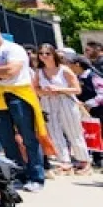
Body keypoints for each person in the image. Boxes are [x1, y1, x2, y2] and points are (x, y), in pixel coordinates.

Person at [0, 17, 49, 191]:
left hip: (18, 95)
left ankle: (36, 177)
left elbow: (11, 71)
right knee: (7, 139)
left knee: (28, 137)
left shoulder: (14, 49)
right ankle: (18, 174)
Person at [35, 44, 91, 175]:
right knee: (54, 132)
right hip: (48, 102)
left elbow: (77, 89)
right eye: (41, 53)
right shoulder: (39, 71)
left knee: (73, 131)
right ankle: (65, 162)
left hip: (66, 101)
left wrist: (59, 89)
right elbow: (35, 88)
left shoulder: (64, 69)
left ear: (53, 54)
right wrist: (44, 92)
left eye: (47, 53)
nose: (44, 56)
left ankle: (84, 160)